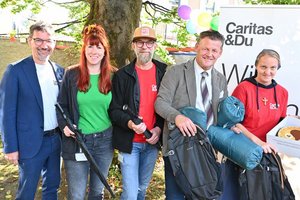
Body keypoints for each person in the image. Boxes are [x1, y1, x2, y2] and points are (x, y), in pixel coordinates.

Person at [155, 30, 228, 200]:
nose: (209, 54)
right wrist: (177, 117)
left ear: (220, 53)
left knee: (203, 196)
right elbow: (160, 103)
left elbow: (220, 113)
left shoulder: (220, 79)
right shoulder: (176, 72)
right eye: (205, 49)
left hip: (208, 150)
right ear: (196, 47)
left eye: (214, 50)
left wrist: (232, 126)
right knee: (175, 196)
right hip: (181, 147)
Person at [0, 21, 64, 199]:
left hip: (55, 141)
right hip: (29, 144)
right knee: (26, 193)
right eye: (38, 40)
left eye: (48, 41)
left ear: (54, 43)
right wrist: (10, 147)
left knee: (52, 188)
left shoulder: (59, 71)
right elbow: (6, 112)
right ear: (29, 41)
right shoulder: (15, 70)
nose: (44, 45)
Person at [56, 24, 115, 200]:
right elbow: (61, 105)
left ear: (105, 51)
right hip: (78, 141)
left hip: (105, 142)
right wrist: (65, 125)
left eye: (99, 46)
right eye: (90, 46)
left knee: (97, 192)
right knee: (76, 194)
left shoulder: (114, 76)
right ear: (84, 49)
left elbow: (119, 109)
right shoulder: (71, 74)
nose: (94, 51)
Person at [108, 26, 167, 200]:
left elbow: (169, 107)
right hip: (130, 143)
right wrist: (130, 123)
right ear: (133, 46)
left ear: (155, 46)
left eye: (149, 43)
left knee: (141, 189)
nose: (144, 47)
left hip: (152, 143)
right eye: (140, 42)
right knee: (131, 194)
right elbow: (114, 110)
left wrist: (158, 129)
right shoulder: (122, 75)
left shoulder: (164, 73)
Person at [221, 49, 288, 199]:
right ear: (256, 66)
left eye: (273, 68)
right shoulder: (243, 88)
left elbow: (280, 126)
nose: (268, 72)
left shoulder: (283, 92)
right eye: (263, 67)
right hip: (241, 151)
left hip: (267, 156)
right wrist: (257, 142)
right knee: (235, 195)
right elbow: (234, 123)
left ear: (278, 68)